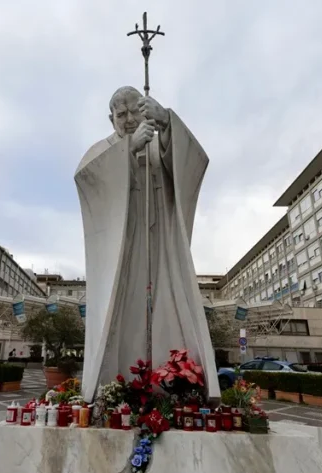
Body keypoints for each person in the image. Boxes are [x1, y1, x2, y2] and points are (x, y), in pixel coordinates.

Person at [75, 86, 220, 402]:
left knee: (169, 300)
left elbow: (194, 161)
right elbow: (87, 179)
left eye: (134, 111)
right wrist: (127, 150)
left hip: (160, 245)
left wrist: (167, 122)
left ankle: (176, 385)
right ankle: (114, 389)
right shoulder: (101, 151)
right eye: (120, 114)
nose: (128, 120)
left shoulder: (157, 142)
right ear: (110, 117)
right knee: (123, 307)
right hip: (122, 248)